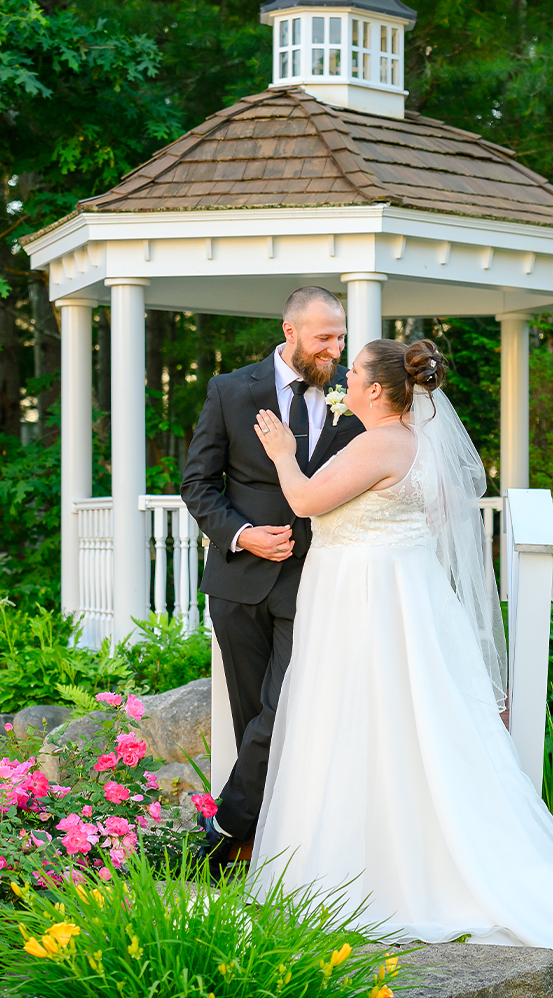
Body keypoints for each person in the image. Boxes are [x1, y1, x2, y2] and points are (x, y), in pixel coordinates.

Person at [246, 338, 553, 982]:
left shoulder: (380, 441)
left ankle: (374, 873)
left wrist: (282, 453)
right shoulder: (415, 445)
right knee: (414, 733)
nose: (346, 379)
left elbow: (305, 502)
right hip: (403, 598)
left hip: (368, 604)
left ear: (380, 390)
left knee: (364, 726)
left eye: (355, 372)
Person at [181, 286, 365, 869]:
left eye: (340, 337)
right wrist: (241, 533)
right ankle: (257, 847)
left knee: (284, 709)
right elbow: (198, 484)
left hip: (317, 581)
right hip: (238, 580)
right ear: (290, 332)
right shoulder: (231, 390)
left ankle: (219, 831)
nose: (335, 349)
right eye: (325, 338)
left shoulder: (354, 397)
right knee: (248, 717)